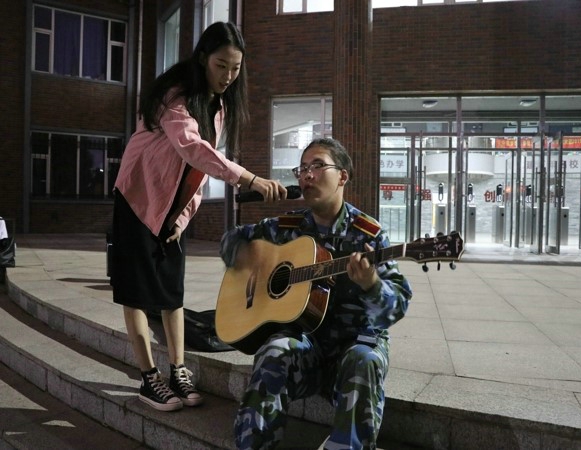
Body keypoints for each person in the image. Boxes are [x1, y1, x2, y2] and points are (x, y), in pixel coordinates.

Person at [111, 21, 287, 412]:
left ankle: (178, 370)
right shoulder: (175, 96)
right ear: (204, 58)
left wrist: (183, 218)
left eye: (236, 68)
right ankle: (149, 379)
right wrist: (248, 178)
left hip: (171, 210)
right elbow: (192, 147)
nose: (228, 75)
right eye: (221, 65)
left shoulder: (218, 107)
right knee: (136, 294)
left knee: (172, 294)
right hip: (137, 200)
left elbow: (198, 171)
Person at [219, 137, 413, 449]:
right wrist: (249, 258)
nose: (307, 175)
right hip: (305, 347)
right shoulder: (287, 226)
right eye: (303, 169)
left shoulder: (368, 234)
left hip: (352, 346)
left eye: (318, 166)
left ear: (343, 176)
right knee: (274, 350)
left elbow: (398, 304)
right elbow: (231, 240)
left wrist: (372, 284)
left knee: (364, 359)